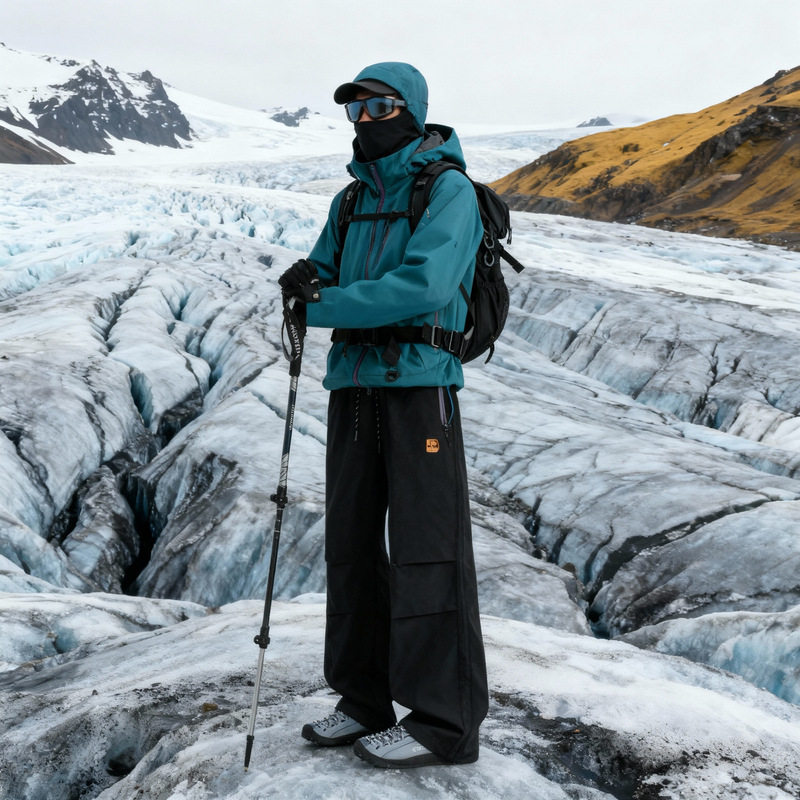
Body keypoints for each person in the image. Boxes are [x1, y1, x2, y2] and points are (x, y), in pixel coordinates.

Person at [278, 61, 488, 769]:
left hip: (420, 387)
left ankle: (444, 723)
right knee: (352, 546)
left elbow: (426, 284)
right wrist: (305, 282)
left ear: (413, 110)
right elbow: (324, 270)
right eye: (356, 110)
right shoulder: (350, 200)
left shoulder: (448, 190)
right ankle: (363, 699)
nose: (366, 121)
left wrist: (325, 304)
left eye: (381, 108)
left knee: (429, 549)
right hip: (355, 386)